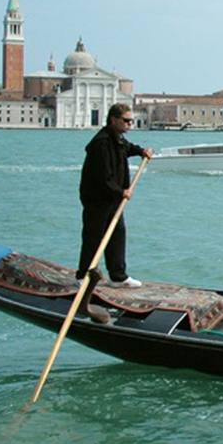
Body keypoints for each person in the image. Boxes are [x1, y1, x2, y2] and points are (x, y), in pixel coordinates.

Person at [76, 103, 153, 323]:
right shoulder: (100, 144)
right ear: (113, 120)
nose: (130, 124)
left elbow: (127, 148)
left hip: (113, 198)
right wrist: (122, 191)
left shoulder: (117, 139)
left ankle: (118, 277)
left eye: (131, 121)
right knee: (94, 235)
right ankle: (83, 276)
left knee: (117, 234)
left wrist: (141, 152)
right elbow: (104, 178)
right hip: (97, 198)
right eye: (126, 121)